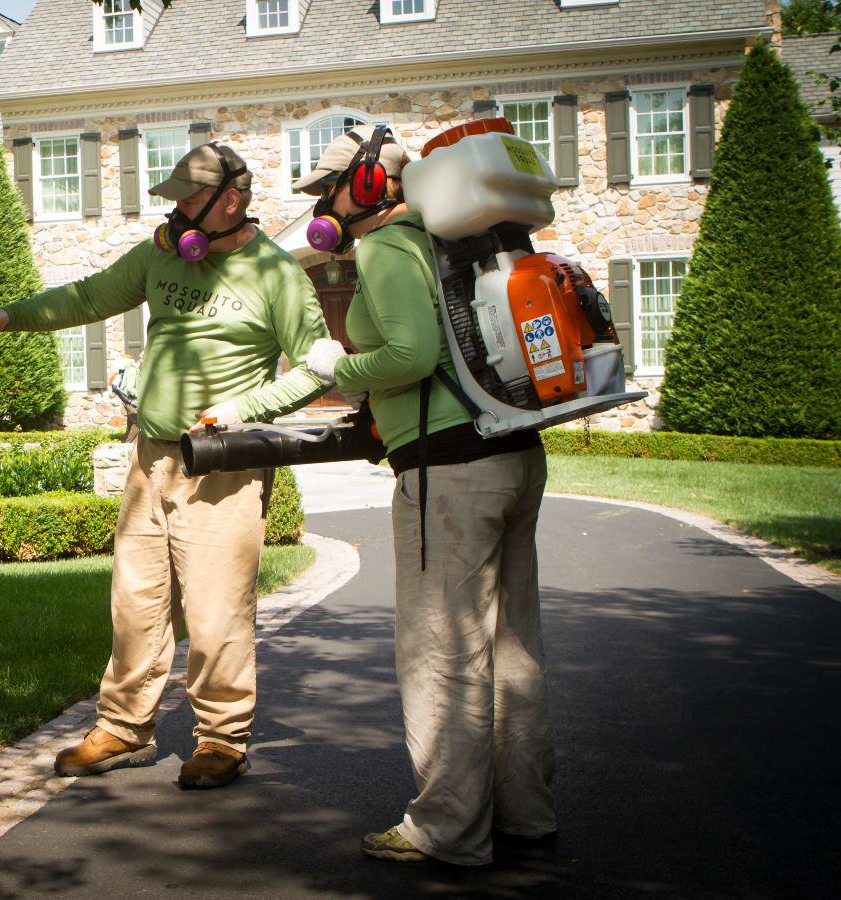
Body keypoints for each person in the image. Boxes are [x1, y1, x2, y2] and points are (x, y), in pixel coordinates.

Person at [0, 142, 342, 789]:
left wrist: (243, 407)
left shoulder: (276, 273)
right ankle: (124, 729)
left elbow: (318, 367)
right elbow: (88, 296)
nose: (178, 211)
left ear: (231, 201)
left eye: (189, 199)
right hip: (149, 460)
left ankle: (221, 739)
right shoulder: (162, 254)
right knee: (135, 604)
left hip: (222, 468)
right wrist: (6, 318)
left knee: (216, 614)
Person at [295, 125, 557, 865]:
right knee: (513, 649)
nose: (321, 203)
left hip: (449, 472)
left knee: (444, 653)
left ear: (370, 184)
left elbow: (409, 354)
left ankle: (445, 830)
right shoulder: (454, 239)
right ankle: (525, 814)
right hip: (513, 453)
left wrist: (336, 365)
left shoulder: (384, 246)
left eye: (327, 187)